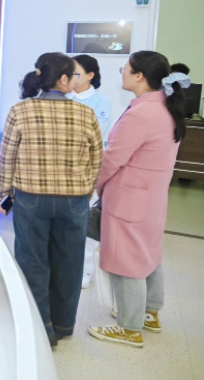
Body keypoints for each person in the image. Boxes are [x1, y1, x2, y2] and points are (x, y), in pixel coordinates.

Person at [0, 52, 103, 347]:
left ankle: (41, 328)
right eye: (74, 75)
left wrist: (4, 194)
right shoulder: (86, 114)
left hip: (31, 199)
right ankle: (63, 325)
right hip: (74, 201)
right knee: (69, 262)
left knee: (32, 261)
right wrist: (87, 191)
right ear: (64, 79)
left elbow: (7, 157)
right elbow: (97, 158)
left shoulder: (20, 111)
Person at [88, 52, 190, 348]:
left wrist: (95, 187)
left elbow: (112, 160)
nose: (122, 72)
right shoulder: (166, 108)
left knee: (127, 261)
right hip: (152, 198)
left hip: (128, 199)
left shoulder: (141, 115)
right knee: (149, 254)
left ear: (139, 76)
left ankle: (129, 328)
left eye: (126, 68)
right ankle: (150, 313)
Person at [67, 54, 113, 289]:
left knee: (84, 221)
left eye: (76, 72)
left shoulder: (101, 102)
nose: (70, 76)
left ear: (90, 75)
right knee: (64, 222)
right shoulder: (64, 97)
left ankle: (85, 269)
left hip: (87, 170)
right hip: (62, 170)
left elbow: (95, 133)